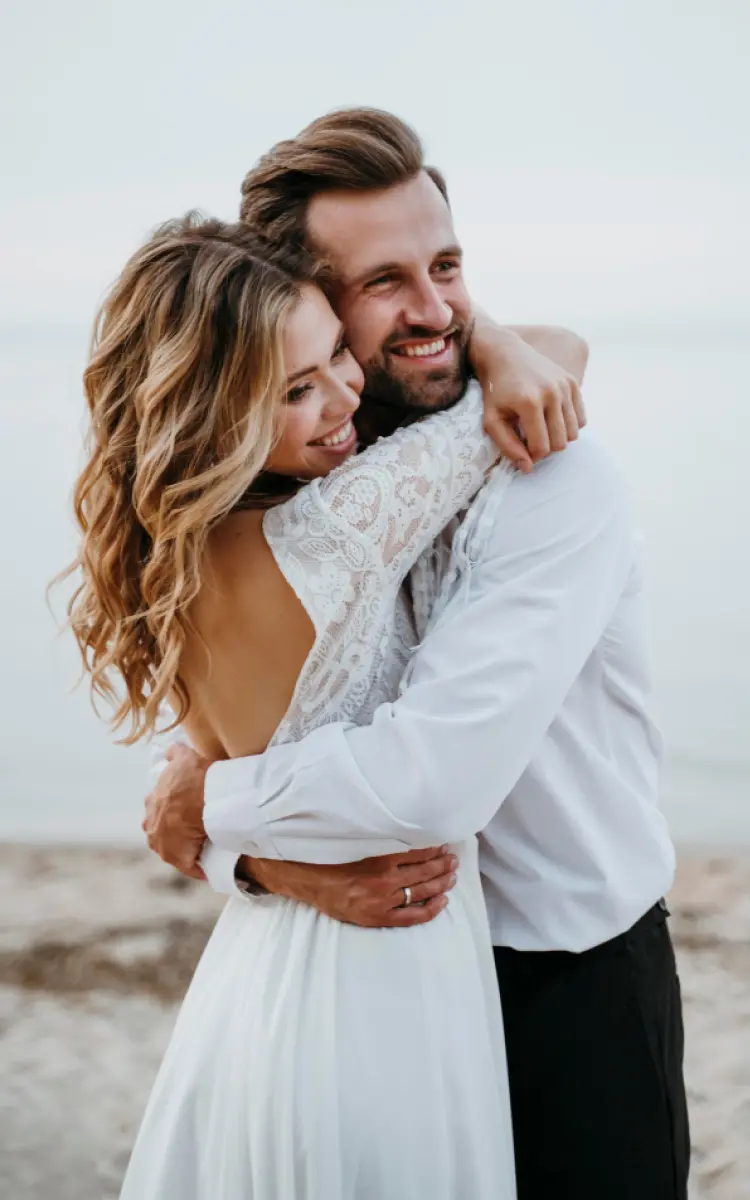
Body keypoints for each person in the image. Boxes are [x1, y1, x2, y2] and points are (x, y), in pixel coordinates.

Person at [148, 110, 689, 1200]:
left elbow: (433, 780)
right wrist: (251, 856)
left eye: (447, 267)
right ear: (302, 303)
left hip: (570, 996)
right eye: (386, 280)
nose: (435, 308)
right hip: (379, 965)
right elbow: (248, 708)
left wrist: (209, 809)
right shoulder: (304, 477)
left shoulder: (559, 480)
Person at [64, 199, 585, 1197]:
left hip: (255, 970)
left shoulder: (160, 563)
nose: (345, 396)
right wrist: (508, 345)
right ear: (215, 417)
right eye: (296, 391)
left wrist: (264, 864)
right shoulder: (335, 531)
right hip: (383, 974)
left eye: (337, 356)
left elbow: (211, 781)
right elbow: (560, 357)